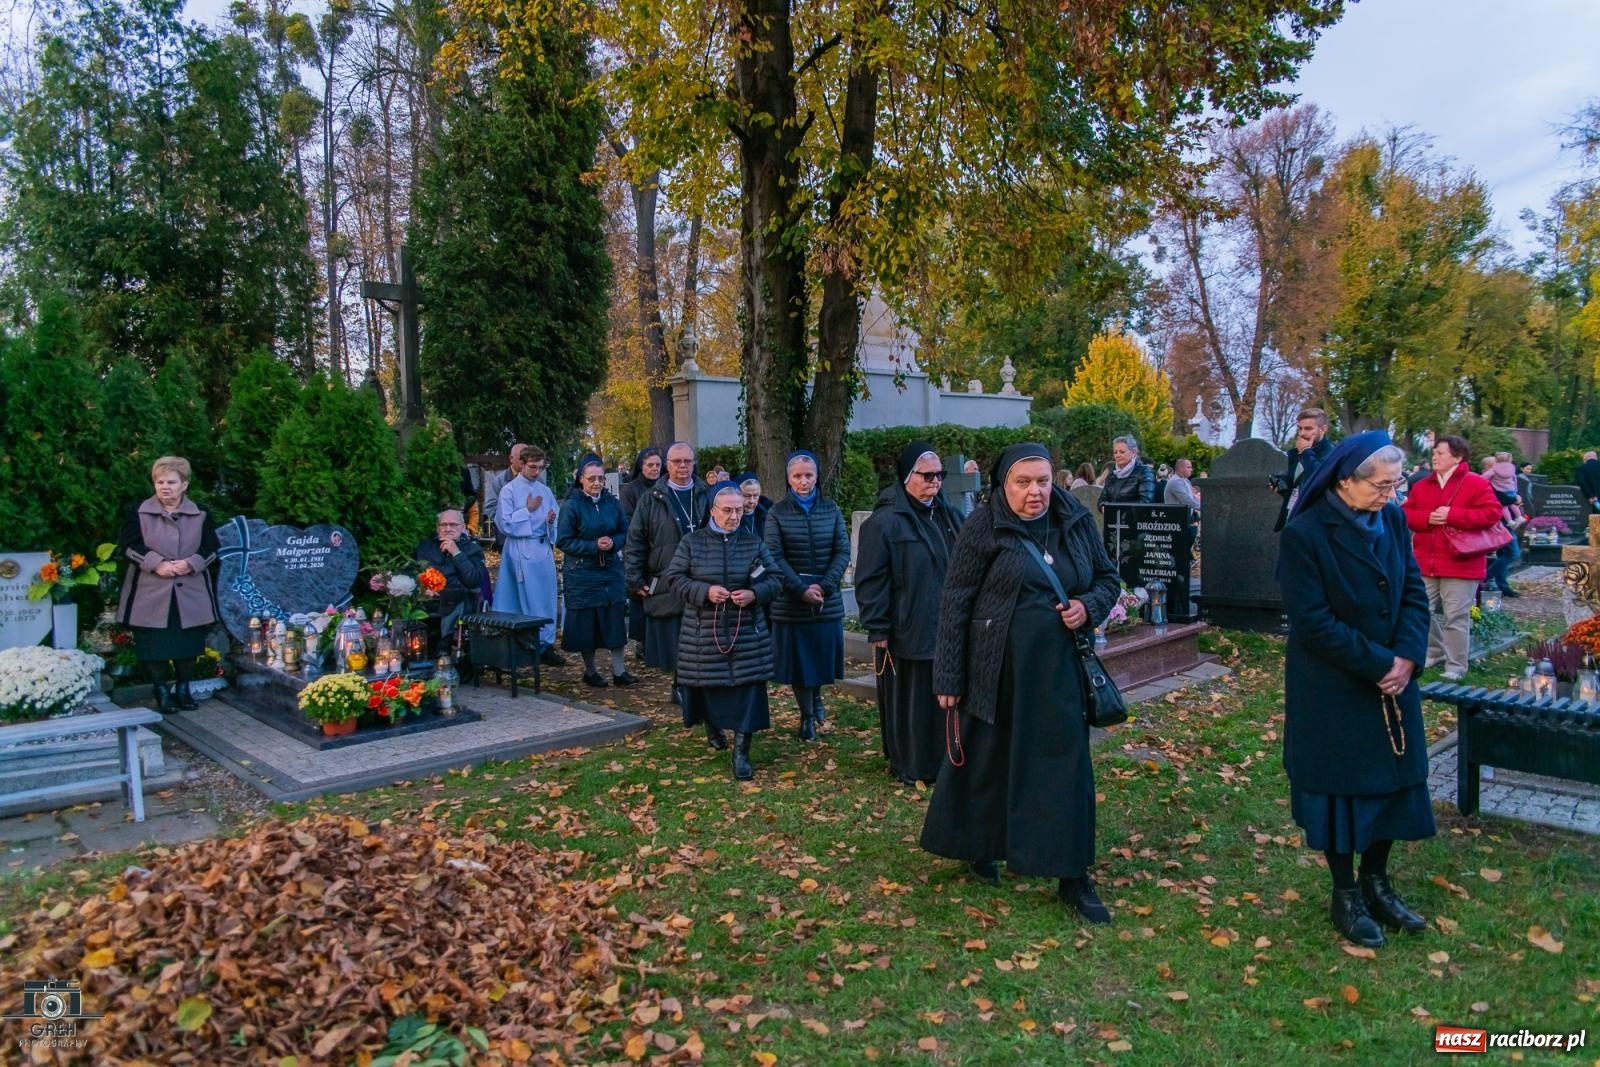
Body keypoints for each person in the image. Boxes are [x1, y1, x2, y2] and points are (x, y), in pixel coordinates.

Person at [920, 444, 1122, 922]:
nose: (1036, 493)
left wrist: (1087, 607)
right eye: (1023, 483)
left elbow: (1108, 579)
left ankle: (1072, 874)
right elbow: (956, 601)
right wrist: (948, 675)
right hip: (995, 667)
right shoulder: (984, 525)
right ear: (1003, 484)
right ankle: (980, 846)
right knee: (988, 761)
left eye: (1043, 482)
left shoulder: (1074, 520)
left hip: (1056, 673)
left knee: (1063, 767)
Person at [1275, 431, 1434, 949]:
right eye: (1382, 485)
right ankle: (1345, 891)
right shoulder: (1305, 535)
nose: (1391, 494)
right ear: (1346, 480)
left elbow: (1412, 586)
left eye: (1396, 483)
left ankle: (1378, 881)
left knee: (1392, 782)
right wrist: (1379, 663)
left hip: (1393, 680)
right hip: (1335, 685)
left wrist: (1408, 656)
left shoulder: (1389, 518)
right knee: (1341, 791)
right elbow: (1313, 622)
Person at [854, 442, 964, 786]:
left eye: (939, 475)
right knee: (912, 701)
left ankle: (946, 758)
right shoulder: (885, 522)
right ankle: (912, 763)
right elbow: (871, 579)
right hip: (907, 625)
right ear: (906, 477)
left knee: (945, 695)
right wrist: (878, 627)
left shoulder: (949, 516)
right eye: (927, 475)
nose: (935, 482)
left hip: (947, 624)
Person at [666, 484, 783, 778]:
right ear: (712, 511)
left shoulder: (753, 542)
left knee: (748, 691)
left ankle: (741, 752)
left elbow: (775, 579)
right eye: (727, 510)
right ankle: (713, 725)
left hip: (747, 632)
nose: (734, 517)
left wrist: (755, 594)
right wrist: (705, 591)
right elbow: (674, 579)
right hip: (704, 632)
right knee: (711, 687)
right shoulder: (692, 543)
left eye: (739, 511)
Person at [116, 456, 220, 713]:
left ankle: (183, 688)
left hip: (190, 591)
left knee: (188, 643)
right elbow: (127, 545)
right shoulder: (139, 511)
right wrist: (156, 563)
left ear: (184, 484)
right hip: (150, 591)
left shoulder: (202, 512)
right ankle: (160, 689)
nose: (165, 487)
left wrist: (192, 563)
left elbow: (212, 548)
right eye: (160, 482)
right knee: (154, 645)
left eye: (171, 482)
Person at [764, 450, 850, 742]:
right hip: (792, 601)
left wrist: (825, 586)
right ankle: (807, 715)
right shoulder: (777, 513)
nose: (803, 481)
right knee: (801, 664)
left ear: (816, 476)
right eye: (797, 476)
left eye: (809, 475)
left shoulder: (831, 509)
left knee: (820, 658)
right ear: (788, 479)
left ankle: (816, 698)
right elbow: (774, 556)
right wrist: (801, 590)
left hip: (826, 598)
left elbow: (842, 550)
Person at [1402, 436, 1503, 681]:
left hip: (1462, 562)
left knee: (1456, 617)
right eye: (1434, 453)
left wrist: (1453, 515)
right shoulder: (1423, 485)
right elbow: (1405, 513)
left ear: (1458, 458)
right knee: (1418, 611)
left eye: (1441, 453)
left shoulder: (1476, 484)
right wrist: (1427, 518)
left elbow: (1492, 513)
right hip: (1426, 560)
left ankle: (1456, 665)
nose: (1435, 457)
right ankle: (1434, 651)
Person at [625, 442, 710, 697]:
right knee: (675, 633)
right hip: (667, 572)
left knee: (701, 632)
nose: (683, 466)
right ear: (667, 465)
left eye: (687, 461)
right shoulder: (651, 498)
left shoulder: (707, 493)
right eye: (676, 462)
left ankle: (698, 683)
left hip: (704, 573)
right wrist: (634, 578)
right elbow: (636, 540)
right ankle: (679, 683)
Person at [558, 456, 638, 688]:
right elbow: (563, 540)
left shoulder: (611, 503)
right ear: (580, 479)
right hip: (583, 573)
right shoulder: (572, 505)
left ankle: (619, 671)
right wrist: (593, 546)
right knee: (587, 624)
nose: (596, 483)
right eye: (591, 478)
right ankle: (591, 671)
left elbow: (625, 531)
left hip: (610, 570)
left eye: (600, 478)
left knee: (614, 619)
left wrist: (613, 542)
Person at [492, 445, 564, 664]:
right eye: (533, 467)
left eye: (541, 467)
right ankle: (526, 641)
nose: (537, 472)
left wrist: (551, 521)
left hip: (542, 548)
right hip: (521, 548)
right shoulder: (510, 490)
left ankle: (546, 643)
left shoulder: (545, 490)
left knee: (547, 596)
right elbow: (503, 523)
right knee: (526, 596)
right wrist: (528, 510)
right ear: (521, 464)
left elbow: (555, 517)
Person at [414, 509, 489, 640]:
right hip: (427, 598)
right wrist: (422, 587)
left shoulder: (473, 549)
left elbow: (473, 580)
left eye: (453, 525)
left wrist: (456, 553)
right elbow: (414, 572)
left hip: (458, 600)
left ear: (463, 527)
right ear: (438, 528)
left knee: (454, 597)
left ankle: (446, 644)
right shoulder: (426, 547)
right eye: (443, 525)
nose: (448, 528)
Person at [618, 447, 664, 650]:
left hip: (663, 548)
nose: (654, 469)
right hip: (641, 549)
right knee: (642, 595)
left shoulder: (666, 486)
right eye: (650, 465)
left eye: (657, 465)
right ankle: (643, 643)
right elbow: (627, 521)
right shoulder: (630, 490)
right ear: (641, 467)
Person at [1272, 408, 1333, 532]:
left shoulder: (1331, 454)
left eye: (1308, 428)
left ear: (1323, 429)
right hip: (1292, 519)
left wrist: (1305, 452)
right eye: (1300, 428)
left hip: (1315, 524)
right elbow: (1298, 486)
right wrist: (1281, 484)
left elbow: (1318, 479)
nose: (1302, 433)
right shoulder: (1298, 453)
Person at [481, 443, 525, 543]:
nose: (524, 462)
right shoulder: (499, 481)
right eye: (521, 458)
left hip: (531, 535)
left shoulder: (538, 481)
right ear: (511, 458)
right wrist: (510, 520)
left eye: (527, 459)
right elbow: (490, 507)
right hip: (506, 535)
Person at [1101, 435, 1154, 505]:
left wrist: (1116, 509)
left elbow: (1145, 501)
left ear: (1133, 453)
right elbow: (1101, 499)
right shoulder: (1112, 473)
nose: (1118, 455)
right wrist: (1103, 507)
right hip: (1113, 515)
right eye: (1115, 452)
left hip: (1135, 515)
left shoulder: (1144, 472)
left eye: (1122, 452)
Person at [736, 472, 772, 539]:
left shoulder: (768, 517)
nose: (752, 501)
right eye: (747, 496)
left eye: (755, 496)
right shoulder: (731, 519)